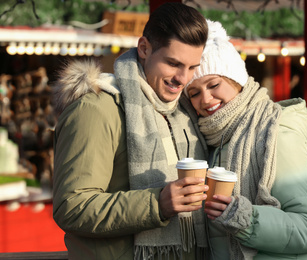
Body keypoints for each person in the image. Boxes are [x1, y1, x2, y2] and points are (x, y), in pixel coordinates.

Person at [52, 3, 210, 260]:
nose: (183, 78)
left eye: (193, 67)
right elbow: (71, 206)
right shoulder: (96, 110)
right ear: (145, 48)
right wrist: (157, 204)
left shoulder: (183, 110)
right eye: (173, 63)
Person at [184, 20, 307, 260]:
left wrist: (245, 218)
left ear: (235, 79)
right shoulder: (214, 138)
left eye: (213, 85)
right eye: (194, 92)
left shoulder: (274, 132)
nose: (206, 98)